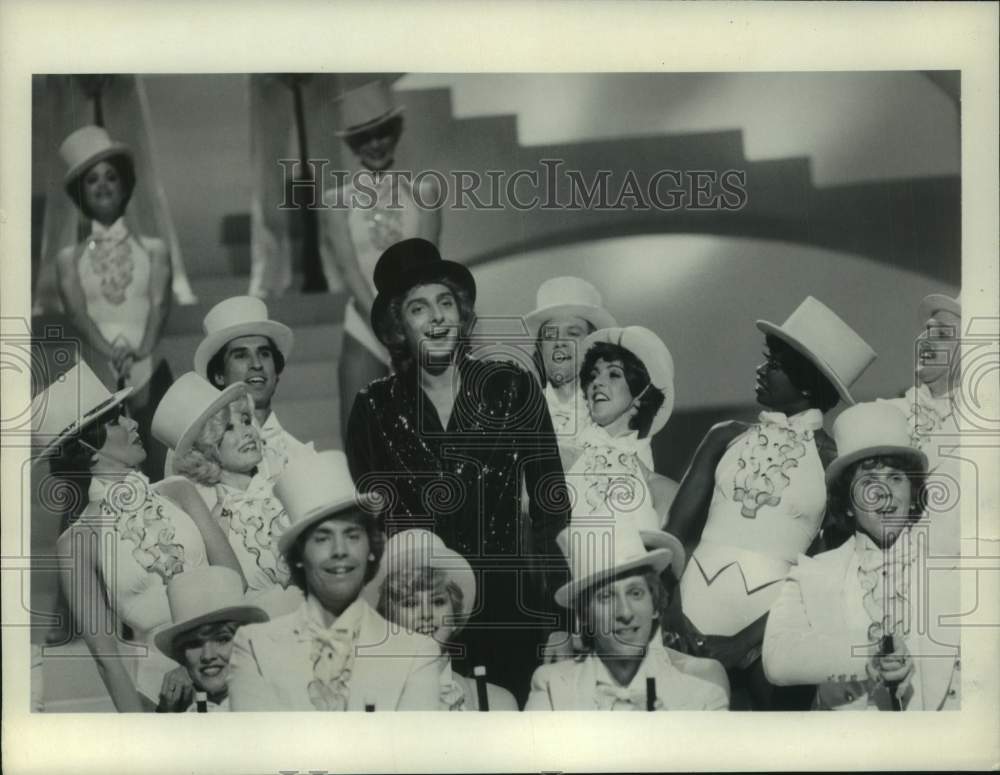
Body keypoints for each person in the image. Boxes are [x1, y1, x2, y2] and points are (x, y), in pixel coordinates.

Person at [345, 238, 570, 706]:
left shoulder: (513, 386)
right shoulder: (373, 408)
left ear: (462, 314)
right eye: (419, 308)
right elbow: (370, 529)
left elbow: (551, 510)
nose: (437, 317)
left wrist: (561, 619)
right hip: (419, 618)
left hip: (509, 611)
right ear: (397, 326)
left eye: (445, 302)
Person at [666, 296, 876, 709]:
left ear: (804, 383)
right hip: (685, 619)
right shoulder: (723, 436)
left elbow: (826, 575)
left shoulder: (832, 461)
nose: (761, 370)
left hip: (772, 631)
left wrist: (746, 643)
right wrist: (672, 616)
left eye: (775, 364)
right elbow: (672, 536)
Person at [35, 362, 243, 711]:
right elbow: (107, 660)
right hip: (163, 691)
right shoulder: (77, 542)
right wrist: (140, 737)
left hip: (230, 659)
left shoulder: (179, 491)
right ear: (88, 445)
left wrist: (197, 661)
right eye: (117, 419)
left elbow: (234, 580)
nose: (133, 423)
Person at [762, 402, 960, 710]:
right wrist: (870, 652)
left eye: (896, 478)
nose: (884, 494)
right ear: (849, 503)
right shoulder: (810, 574)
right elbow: (777, 660)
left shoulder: (956, 571)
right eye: (868, 482)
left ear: (912, 494)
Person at [228, 451, 444, 711]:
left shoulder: (416, 652)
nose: (339, 550)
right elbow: (259, 749)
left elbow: (411, 750)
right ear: (299, 555)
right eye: (322, 538)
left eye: (352, 535)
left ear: (371, 549)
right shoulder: (254, 646)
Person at [321, 80, 442, 440]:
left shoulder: (424, 191)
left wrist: (407, 323)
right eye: (363, 138)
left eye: (381, 133)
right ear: (352, 144)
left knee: (424, 431)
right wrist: (382, 321)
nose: (374, 144)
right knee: (361, 432)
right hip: (364, 321)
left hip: (417, 321)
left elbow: (428, 263)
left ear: (396, 132)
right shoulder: (336, 200)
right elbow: (348, 268)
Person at [55, 125, 174, 480]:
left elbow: (159, 305)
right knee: (98, 472)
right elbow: (76, 313)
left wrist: (140, 351)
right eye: (92, 180)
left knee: (159, 467)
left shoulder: (154, 249)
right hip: (95, 367)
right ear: (81, 193)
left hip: (147, 364)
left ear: (124, 185)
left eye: (111, 177)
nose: (103, 185)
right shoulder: (67, 257)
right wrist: (110, 352)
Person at [526, 515, 729, 711]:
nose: (625, 612)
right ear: (584, 615)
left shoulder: (704, 698)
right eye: (606, 596)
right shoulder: (552, 688)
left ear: (655, 606)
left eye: (635, 593)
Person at [154, 372, 302, 617]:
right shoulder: (210, 518)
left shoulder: (286, 482)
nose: (247, 432)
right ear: (207, 449)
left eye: (246, 420)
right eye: (229, 428)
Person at [371, 529, 518, 711]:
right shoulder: (366, 701)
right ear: (388, 620)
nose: (426, 614)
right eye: (410, 603)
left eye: (437, 601)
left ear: (454, 614)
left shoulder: (498, 702)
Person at [184, 295, 311, 479]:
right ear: (219, 375)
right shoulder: (204, 460)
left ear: (276, 372)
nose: (257, 364)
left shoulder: (302, 456)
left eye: (264, 353)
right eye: (241, 355)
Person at [569, 326, 680, 529]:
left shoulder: (663, 490)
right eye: (593, 375)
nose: (597, 382)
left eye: (613, 374)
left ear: (641, 395)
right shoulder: (560, 458)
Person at [882, 292, 962, 556]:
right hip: (887, 567)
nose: (924, 341)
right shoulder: (888, 412)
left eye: (941, 335)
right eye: (926, 331)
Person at [525, 276, 618, 467]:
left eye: (572, 333)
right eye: (550, 334)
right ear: (540, 347)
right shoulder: (517, 413)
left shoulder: (619, 414)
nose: (559, 342)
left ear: (593, 346)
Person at [153, 566, 268, 712]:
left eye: (222, 640)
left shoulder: (276, 702)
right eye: (194, 644)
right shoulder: (182, 713)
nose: (208, 655)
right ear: (182, 656)